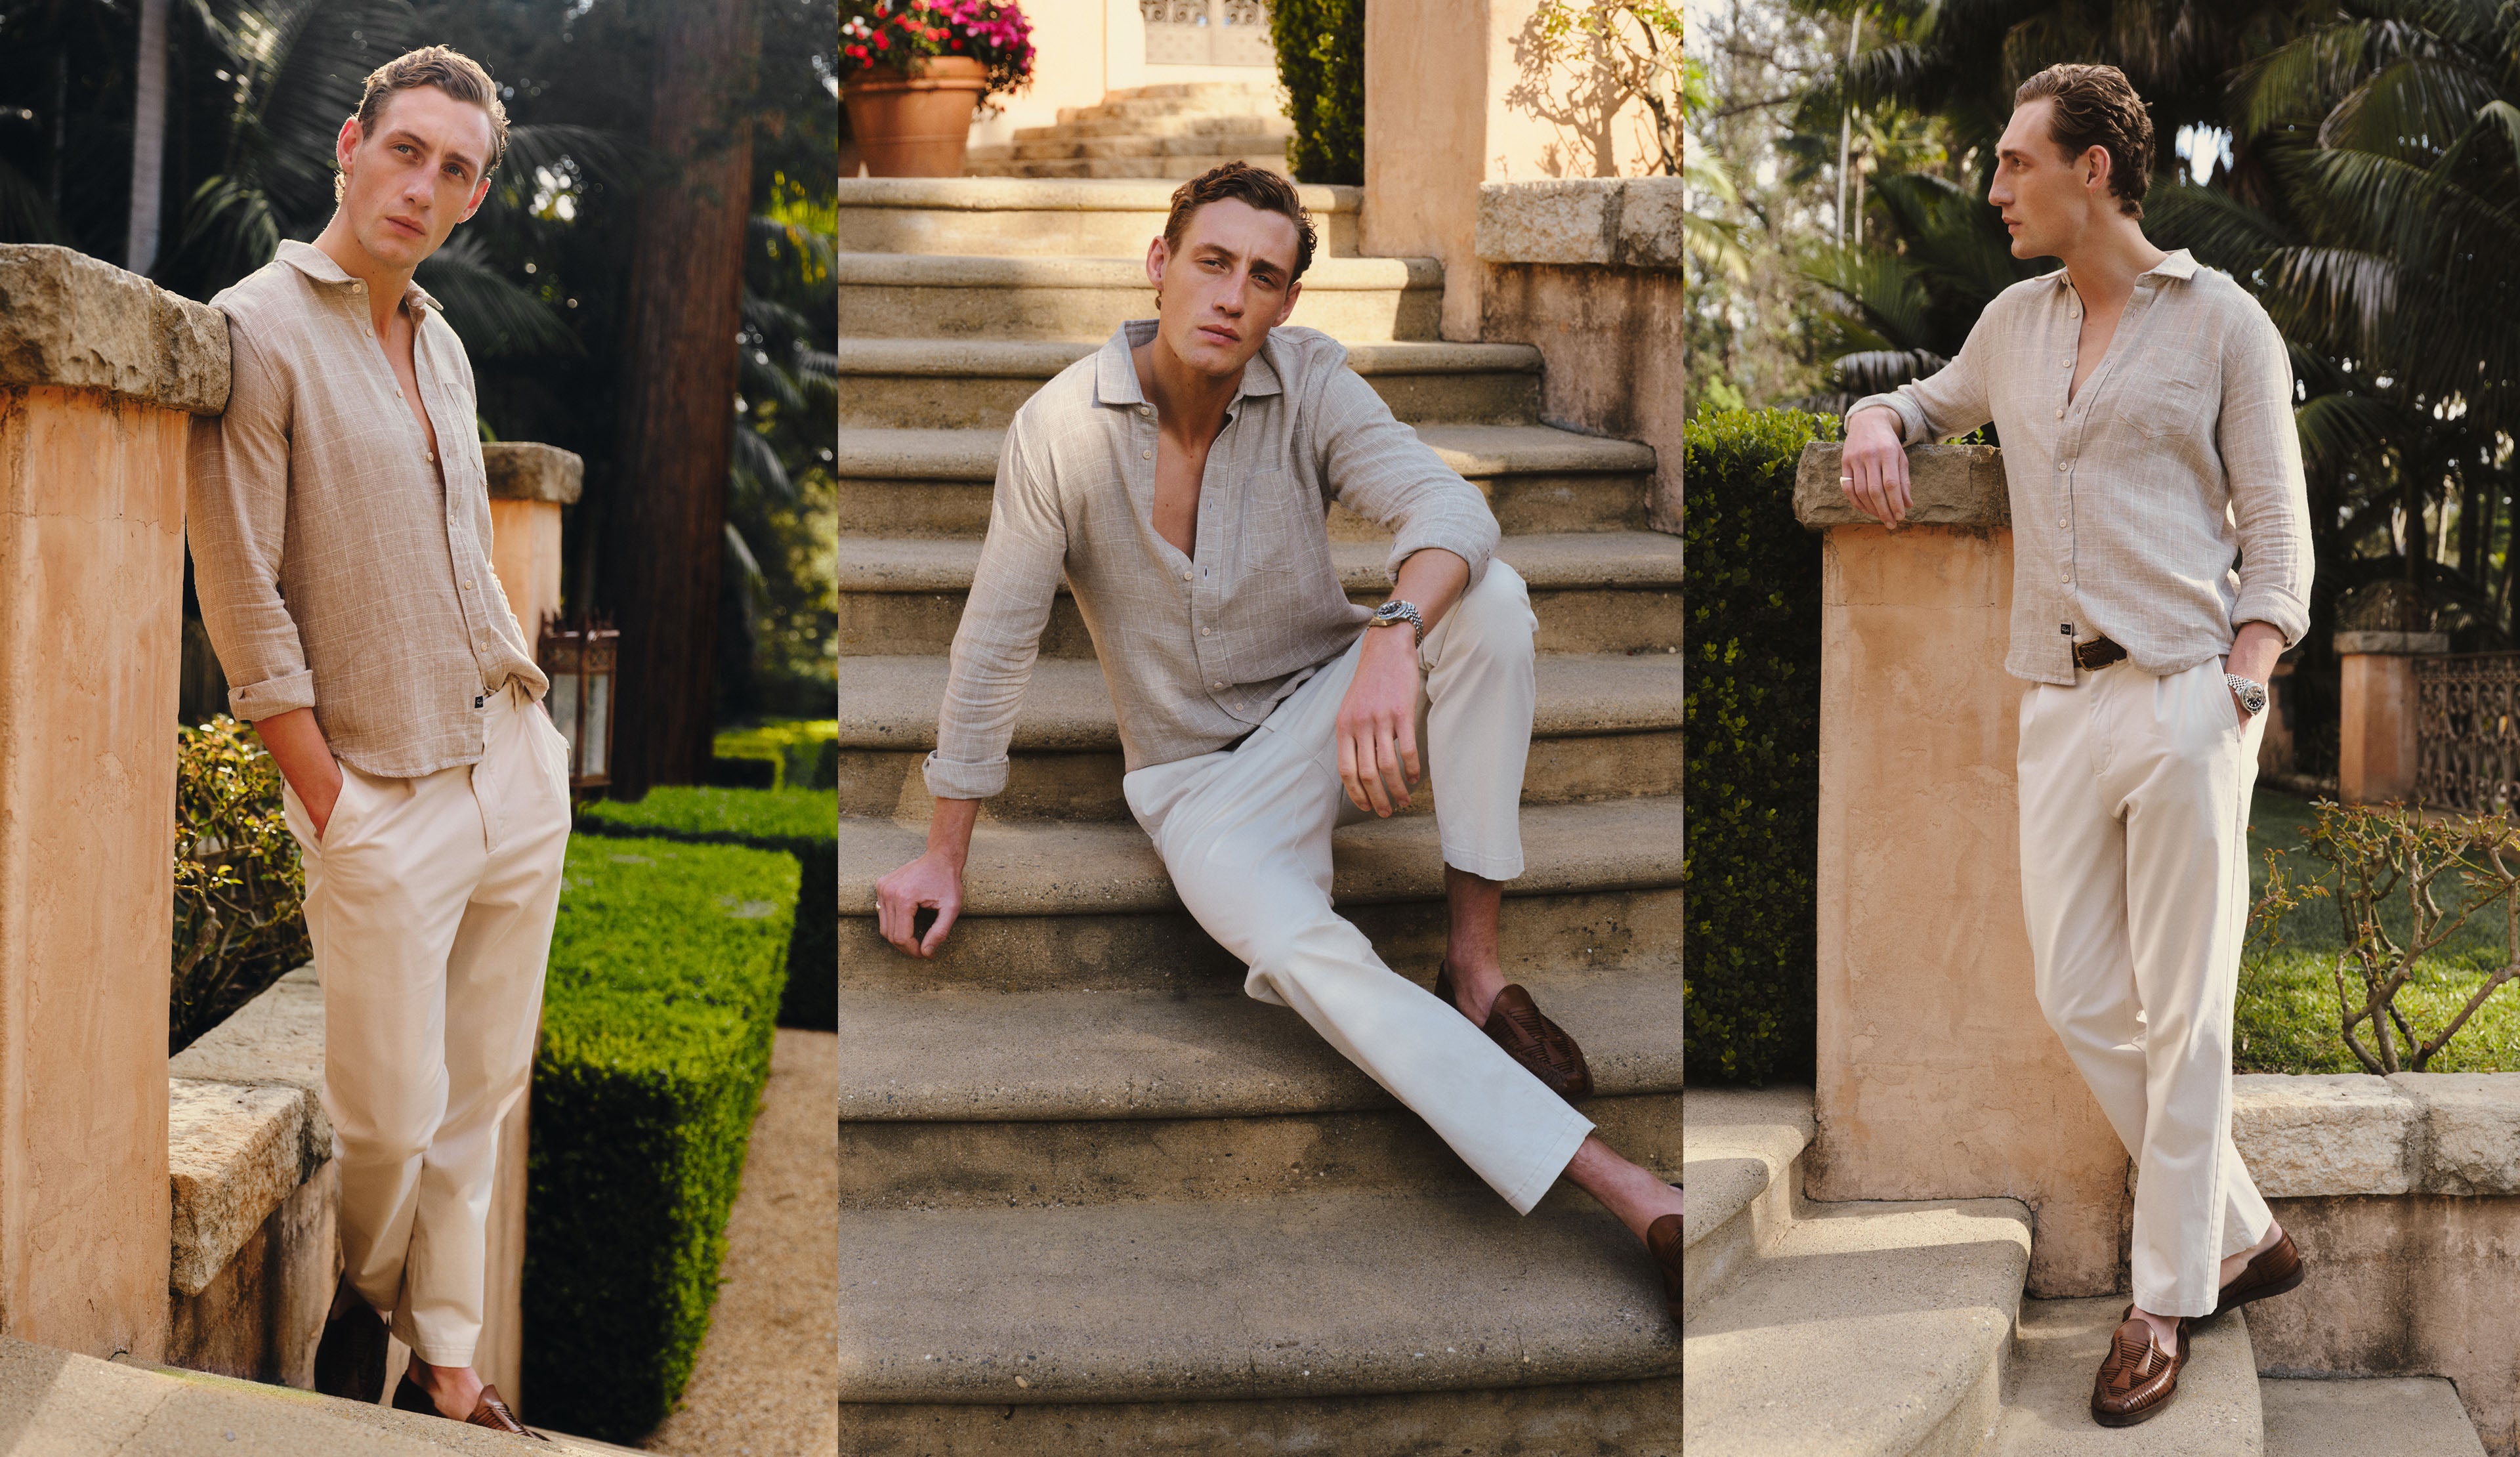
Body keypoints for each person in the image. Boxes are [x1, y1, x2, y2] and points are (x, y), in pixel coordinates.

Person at [871, 161, 1685, 1323]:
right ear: (1159, 264)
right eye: (1211, 262)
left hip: (1330, 701)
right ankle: (1634, 1193)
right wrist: (944, 849)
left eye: (1263, 277)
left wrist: (1394, 636)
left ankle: (1476, 964)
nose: (1231, 296)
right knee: (1308, 958)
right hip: (1198, 788)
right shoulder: (1056, 430)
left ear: (1288, 303)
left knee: (1491, 601)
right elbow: (995, 644)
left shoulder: (1309, 381)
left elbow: (1452, 510)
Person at [1837, 63, 2312, 1427]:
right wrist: (1874, 419)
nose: (1994, 190)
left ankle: (2163, 1298)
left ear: (2091, 171)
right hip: (2054, 699)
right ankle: (2238, 1228)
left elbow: (2277, 528)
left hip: (2182, 699)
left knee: (2189, 1007)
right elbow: (1924, 405)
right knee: (2083, 996)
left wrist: (2243, 677)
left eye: (2013, 164)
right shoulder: (2012, 322)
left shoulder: (2225, 325)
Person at [187, 45, 570, 1438]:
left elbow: (461, 568)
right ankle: (369, 1289)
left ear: (474, 199)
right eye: (406, 150)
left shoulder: (446, 342)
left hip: (511, 767)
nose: (425, 186)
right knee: (393, 1121)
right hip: (380, 798)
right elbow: (242, 594)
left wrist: (531, 749)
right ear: (349, 146)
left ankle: (448, 1363)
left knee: (484, 1097)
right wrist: (334, 804)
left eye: (456, 170)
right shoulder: (259, 326)